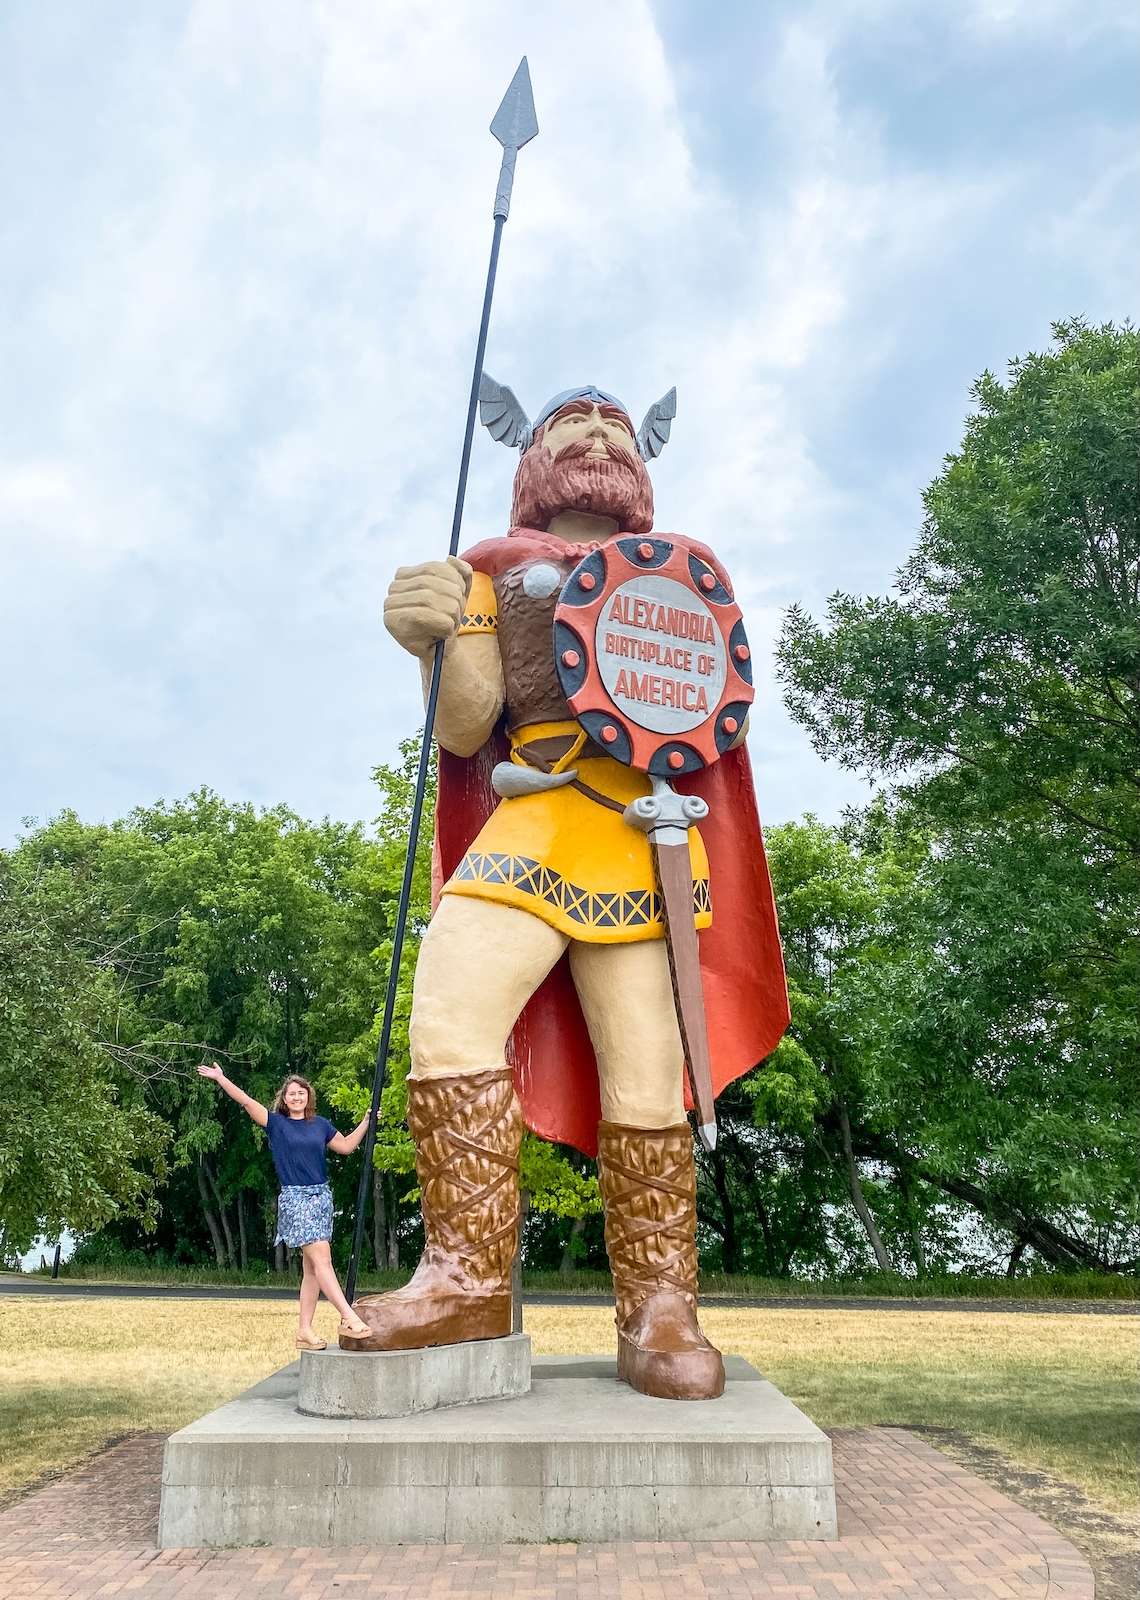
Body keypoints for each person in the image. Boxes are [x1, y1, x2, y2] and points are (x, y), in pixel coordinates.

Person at [348, 384, 789, 1400]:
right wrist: (435, 632)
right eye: (571, 427)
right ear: (531, 457)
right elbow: (467, 727)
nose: (596, 439)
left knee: (647, 1077)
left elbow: (711, 707)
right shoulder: (488, 572)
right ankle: (463, 1277)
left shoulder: (683, 571)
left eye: (616, 430)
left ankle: (659, 1304)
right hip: (533, 816)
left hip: (644, 834)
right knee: (448, 1022)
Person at [197, 1062, 372, 1349]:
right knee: (323, 1259)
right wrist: (221, 1078)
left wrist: (366, 1122)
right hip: (295, 1199)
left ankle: (304, 1330)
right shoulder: (275, 1124)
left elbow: (346, 1147)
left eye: (301, 1093)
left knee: (313, 1269)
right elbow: (245, 1099)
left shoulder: (321, 1125)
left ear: (308, 1097)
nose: (296, 1098)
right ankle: (349, 1316)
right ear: (284, 1098)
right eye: (291, 1094)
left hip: (321, 1198)